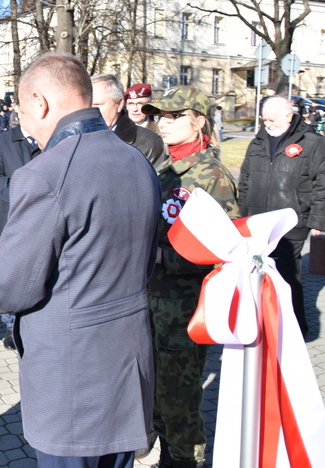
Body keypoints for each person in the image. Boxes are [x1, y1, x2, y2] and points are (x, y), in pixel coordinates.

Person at [0, 52, 160, 467]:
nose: (23, 124)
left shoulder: (45, 172)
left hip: (74, 379)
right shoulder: (135, 158)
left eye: (22, 111)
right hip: (129, 366)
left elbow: (14, 287)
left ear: (40, 102)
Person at [141, 86, 238, 468]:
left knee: (180, 406)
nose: (163, 122)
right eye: (160, 115)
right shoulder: (167, 169)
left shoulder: (210, 176)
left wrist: (161, 254)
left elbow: (226, 251)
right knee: (158, 402)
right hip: (153, 301)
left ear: (198, 121)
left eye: (174, 115)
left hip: (184, 310)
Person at [237, 95, 325, 338]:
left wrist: (318, 220)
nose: (267, 124)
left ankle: (294, 328)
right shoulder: (257, 142)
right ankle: (263, 325)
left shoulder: (313, 142)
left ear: (289, 116)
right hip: (258, 220)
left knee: (287, 275)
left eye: (272, 119)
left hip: (292, 221)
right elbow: (245, 179)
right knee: (259, 273)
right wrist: (241, 215)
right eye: (264, 119)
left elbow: (322, 183)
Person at [0, 117, 41, 350]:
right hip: (12, 222)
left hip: (43, 224)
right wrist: (26, 194)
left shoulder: (51, 137)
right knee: (10, 278)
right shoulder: (2, 140)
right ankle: (11, 328)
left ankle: (36, 327)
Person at [92, 74, 166, 169]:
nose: (91, 111)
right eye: (87, 105)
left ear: (119, 103)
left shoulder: (150, 143)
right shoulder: (76, 137)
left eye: (98, 105)